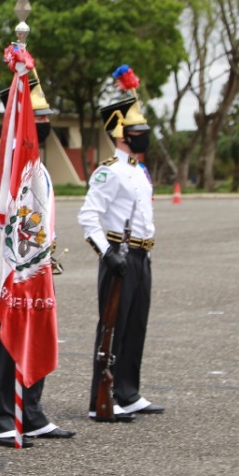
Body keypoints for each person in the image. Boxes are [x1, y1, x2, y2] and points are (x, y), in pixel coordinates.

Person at [0, 81, 75, 446]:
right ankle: (3, 416)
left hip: (38, 265)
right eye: (38, 117)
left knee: (37, 333)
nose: (46, 122)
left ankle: (32, 412)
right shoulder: (1, 162)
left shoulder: (40, 165)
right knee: (8, 341)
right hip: (14, 264)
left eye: (47, 116)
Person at [79, 65, 164, 420]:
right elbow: (87, 216)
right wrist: (107, 253)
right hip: (118, 254)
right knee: (112, 327)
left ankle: (128, 391)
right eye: (138, 130)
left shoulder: (139, 170)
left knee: (136, 324)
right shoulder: (109, 171)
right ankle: (103, 395)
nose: (144, 135)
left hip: (141, 255)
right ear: (120, 132)